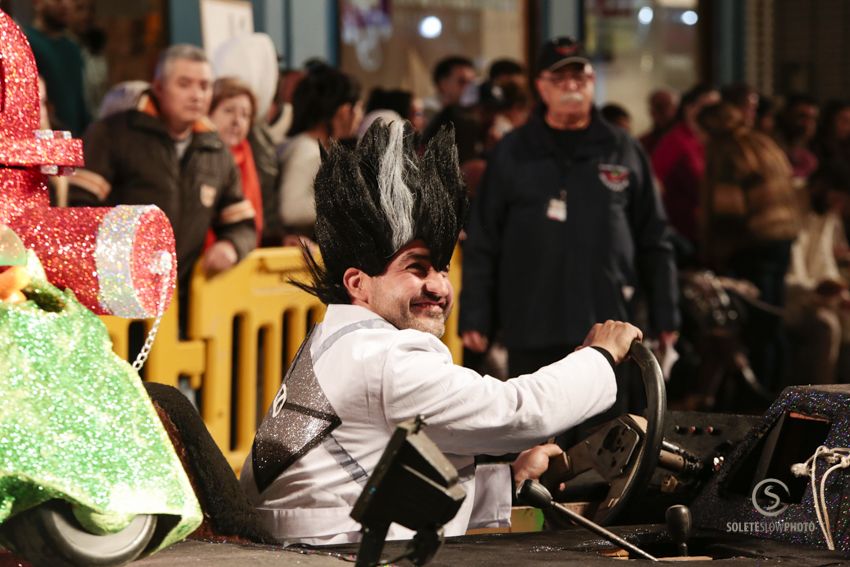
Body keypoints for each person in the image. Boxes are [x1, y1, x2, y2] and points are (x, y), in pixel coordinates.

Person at [240, 119, 643, 544]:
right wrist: (600, 355)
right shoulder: (382, 358)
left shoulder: (333, 344)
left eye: (443, 269)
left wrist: (506, 482)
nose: (438, 286)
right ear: (357, 283)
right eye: (415, 269)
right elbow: (520, 413)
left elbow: (369, 478)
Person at [460, 36, 679, 379]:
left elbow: (655, 238)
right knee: (540, 431)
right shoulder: (513, 151)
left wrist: (667, 314)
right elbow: (483, 239)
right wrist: (475, 314)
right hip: (531, 324)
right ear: (541, 87)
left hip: (609, 328)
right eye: (559, 79)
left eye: (580, 78)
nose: (571, 87)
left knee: (611, 430)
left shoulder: (622, 149)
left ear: (593, 82)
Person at [67, 44, 256, 329]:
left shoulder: (216, 150)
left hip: (183, 311)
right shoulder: (112, 134)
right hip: (115, 308)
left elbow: (242, 223)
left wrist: (231, 246)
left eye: (204, 86)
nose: (196, 95)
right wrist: (128, 260)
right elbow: (79, 211)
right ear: (158, 87)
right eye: (184, 84)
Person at [276, 65, 362, 240]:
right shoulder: (308, 150)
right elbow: (290, 210)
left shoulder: (306, 145)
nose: (360, 115)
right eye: (359, 107)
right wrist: (343, 204)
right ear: (344, 111)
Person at [651, 83, 721, 256]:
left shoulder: (709, 141)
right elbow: (653, 182)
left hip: (708, 233)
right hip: (684, 232)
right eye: (706, 107)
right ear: (689, 108)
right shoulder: (676, 141)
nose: (712, 114)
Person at [207, 77, 264, 247]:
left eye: (245, 115)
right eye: (228, 110)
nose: (237, 121)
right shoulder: (198, 155)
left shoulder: (251, 157)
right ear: (208, 112)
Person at [24, 0, 89, 136]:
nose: (65, 4)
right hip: (43, 138)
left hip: (74, 138)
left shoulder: (72, 48)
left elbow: (79, 101)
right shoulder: (26, 42)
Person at [639, 88, 679, 155]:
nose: (665, 111)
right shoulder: (644, 143)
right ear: (651, 112)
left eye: (667, 106)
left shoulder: (690, 139)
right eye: (659, 107)